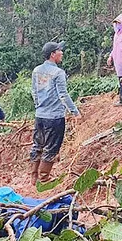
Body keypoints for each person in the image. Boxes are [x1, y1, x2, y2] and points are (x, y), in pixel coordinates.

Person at [30, 43, 80, 185]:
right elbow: (63, 95)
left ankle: (34, 176)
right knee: (52, 146)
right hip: (54, 117)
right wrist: (75, 112)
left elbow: (34, 92)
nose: (62, 53)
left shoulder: (37, 71)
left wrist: (38, 106)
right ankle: (44, 177)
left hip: (40, 115)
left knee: (37, 144)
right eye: (59, 51)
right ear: (53, 54)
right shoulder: (58, 73)